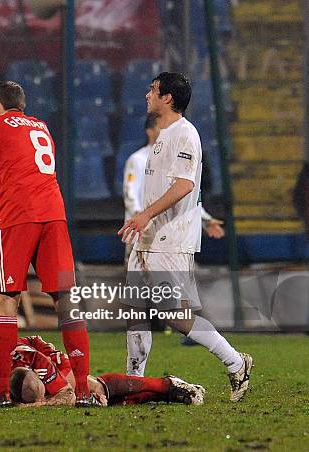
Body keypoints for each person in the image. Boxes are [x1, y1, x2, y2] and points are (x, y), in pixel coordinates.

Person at [0, 81, 100, 407]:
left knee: (6, 300)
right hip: (54, 218)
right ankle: (83, 390)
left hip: (15, 219)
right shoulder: (40, 127)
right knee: (66, 300)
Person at [118, 72, 253, 402]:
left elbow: (185, 185)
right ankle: (133, 382)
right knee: (135, 310)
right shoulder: (163, 135)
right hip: (147, 237)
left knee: (175, 316)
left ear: (167, 98)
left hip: (169, 239)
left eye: (152, 90)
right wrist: (142, 222)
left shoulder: (185, 134)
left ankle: (236, 362)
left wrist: (145, 215)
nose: (147, 95)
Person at [0, 335, 205, 407]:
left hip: (34, 347)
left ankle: (166, 385)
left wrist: (40, 403)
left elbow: (68, 395)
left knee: (87, 387)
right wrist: (44, 401)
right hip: (15, 364)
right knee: (92, 400)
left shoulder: (37, 359)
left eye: (44, 390)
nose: (45, 396)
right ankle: (163, 394)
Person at [123, 113, 225, 262]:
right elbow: (130, 194)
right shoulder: (137, 160)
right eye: (162, 127)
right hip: (143, 234)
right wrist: (141, 217)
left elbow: (185, 195)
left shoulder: (177, 161)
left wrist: (205, 220)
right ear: (150, 131)